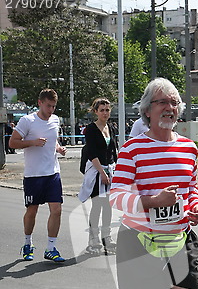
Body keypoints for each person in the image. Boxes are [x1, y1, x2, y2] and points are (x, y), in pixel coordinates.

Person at [110, 78, 198, 289]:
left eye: (174, 102)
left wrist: (195, 207)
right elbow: (116, 196)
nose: (169, 108)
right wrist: (152, 201)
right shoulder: (133, 148)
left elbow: (190, 189)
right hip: (141, 238)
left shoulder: (187, 146)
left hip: (179, 235)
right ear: (147, 111)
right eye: (162, 102)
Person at [9, 89, 67, 262]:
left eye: (54, 106)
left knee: (57, 210)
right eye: (48, 106)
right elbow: (12, 142)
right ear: (40, 102)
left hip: (53, 173)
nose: (51, 110)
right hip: (34, 175)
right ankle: (28, 243)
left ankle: (51, 248)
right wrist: (32, 142)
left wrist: (58, 148)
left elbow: (52, 139)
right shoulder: (28, 121)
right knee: (32, 211)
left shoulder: (55, 120)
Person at [78, 98, 119, 255]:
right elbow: (91, 153)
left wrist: (116, 171)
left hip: (110, 169)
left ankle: (106, 237)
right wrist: (102, 173)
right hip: (97, 171)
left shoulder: (111, 128)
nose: (105, 113)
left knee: (108, 206)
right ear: (95, 111)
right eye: (102, 110)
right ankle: (93, 239)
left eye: (107, 110)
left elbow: (113, 151)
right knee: (97, 205)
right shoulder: (91, 129)